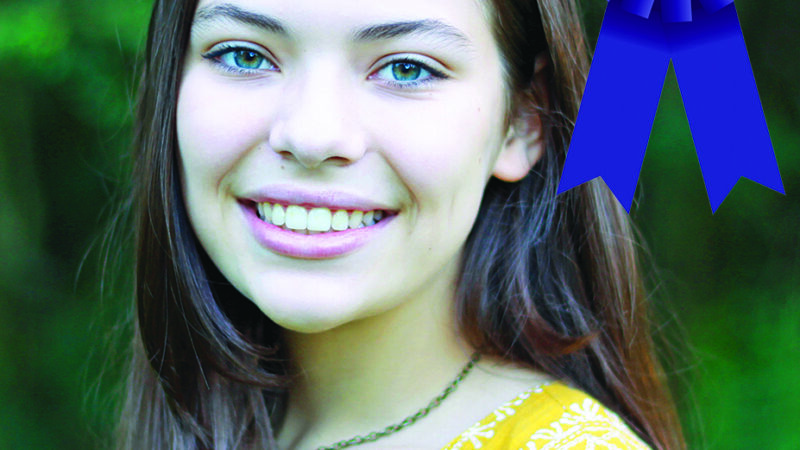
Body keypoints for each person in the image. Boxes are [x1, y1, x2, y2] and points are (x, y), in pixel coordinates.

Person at [115, 0, 684, 448]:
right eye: (244, 55)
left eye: (407, 68)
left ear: (522, 123)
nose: (313, 135)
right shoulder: (205, 420)